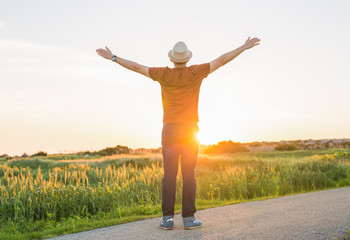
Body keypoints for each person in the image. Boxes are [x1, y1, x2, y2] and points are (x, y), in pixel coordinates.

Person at [96, 36, 260, 230]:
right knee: (189, 174)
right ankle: (189, 219)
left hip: (170, 129)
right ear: (187, 59)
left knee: (169, 175)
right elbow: (222, 60)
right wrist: (243, 47)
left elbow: (137, 67)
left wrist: (113, 57)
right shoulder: (196, 72)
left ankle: (167, 219)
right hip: (190, 130)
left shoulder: (163, 74)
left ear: (172, 59)